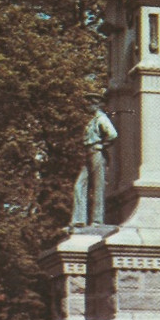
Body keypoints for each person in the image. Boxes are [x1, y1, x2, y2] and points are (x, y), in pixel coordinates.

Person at [70, 95, 118, 228]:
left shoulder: (102, 119)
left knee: (98, 187)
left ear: (96, 105)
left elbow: (113, 134)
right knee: (79, 185)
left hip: (97, 153)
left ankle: (97, 221)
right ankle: (79, 219)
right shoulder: (93, 120)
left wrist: (102, 145)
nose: (87, 106)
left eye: (89, 104)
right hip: (89, 154)